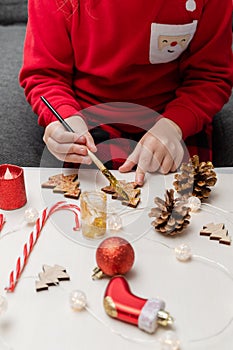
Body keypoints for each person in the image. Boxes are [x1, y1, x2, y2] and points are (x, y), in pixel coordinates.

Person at [19, 0, 233, 185]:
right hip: (87, 115)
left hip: (173, 114)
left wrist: (174, 126)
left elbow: (210, 75)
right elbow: (44, 75)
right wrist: (65, 118)